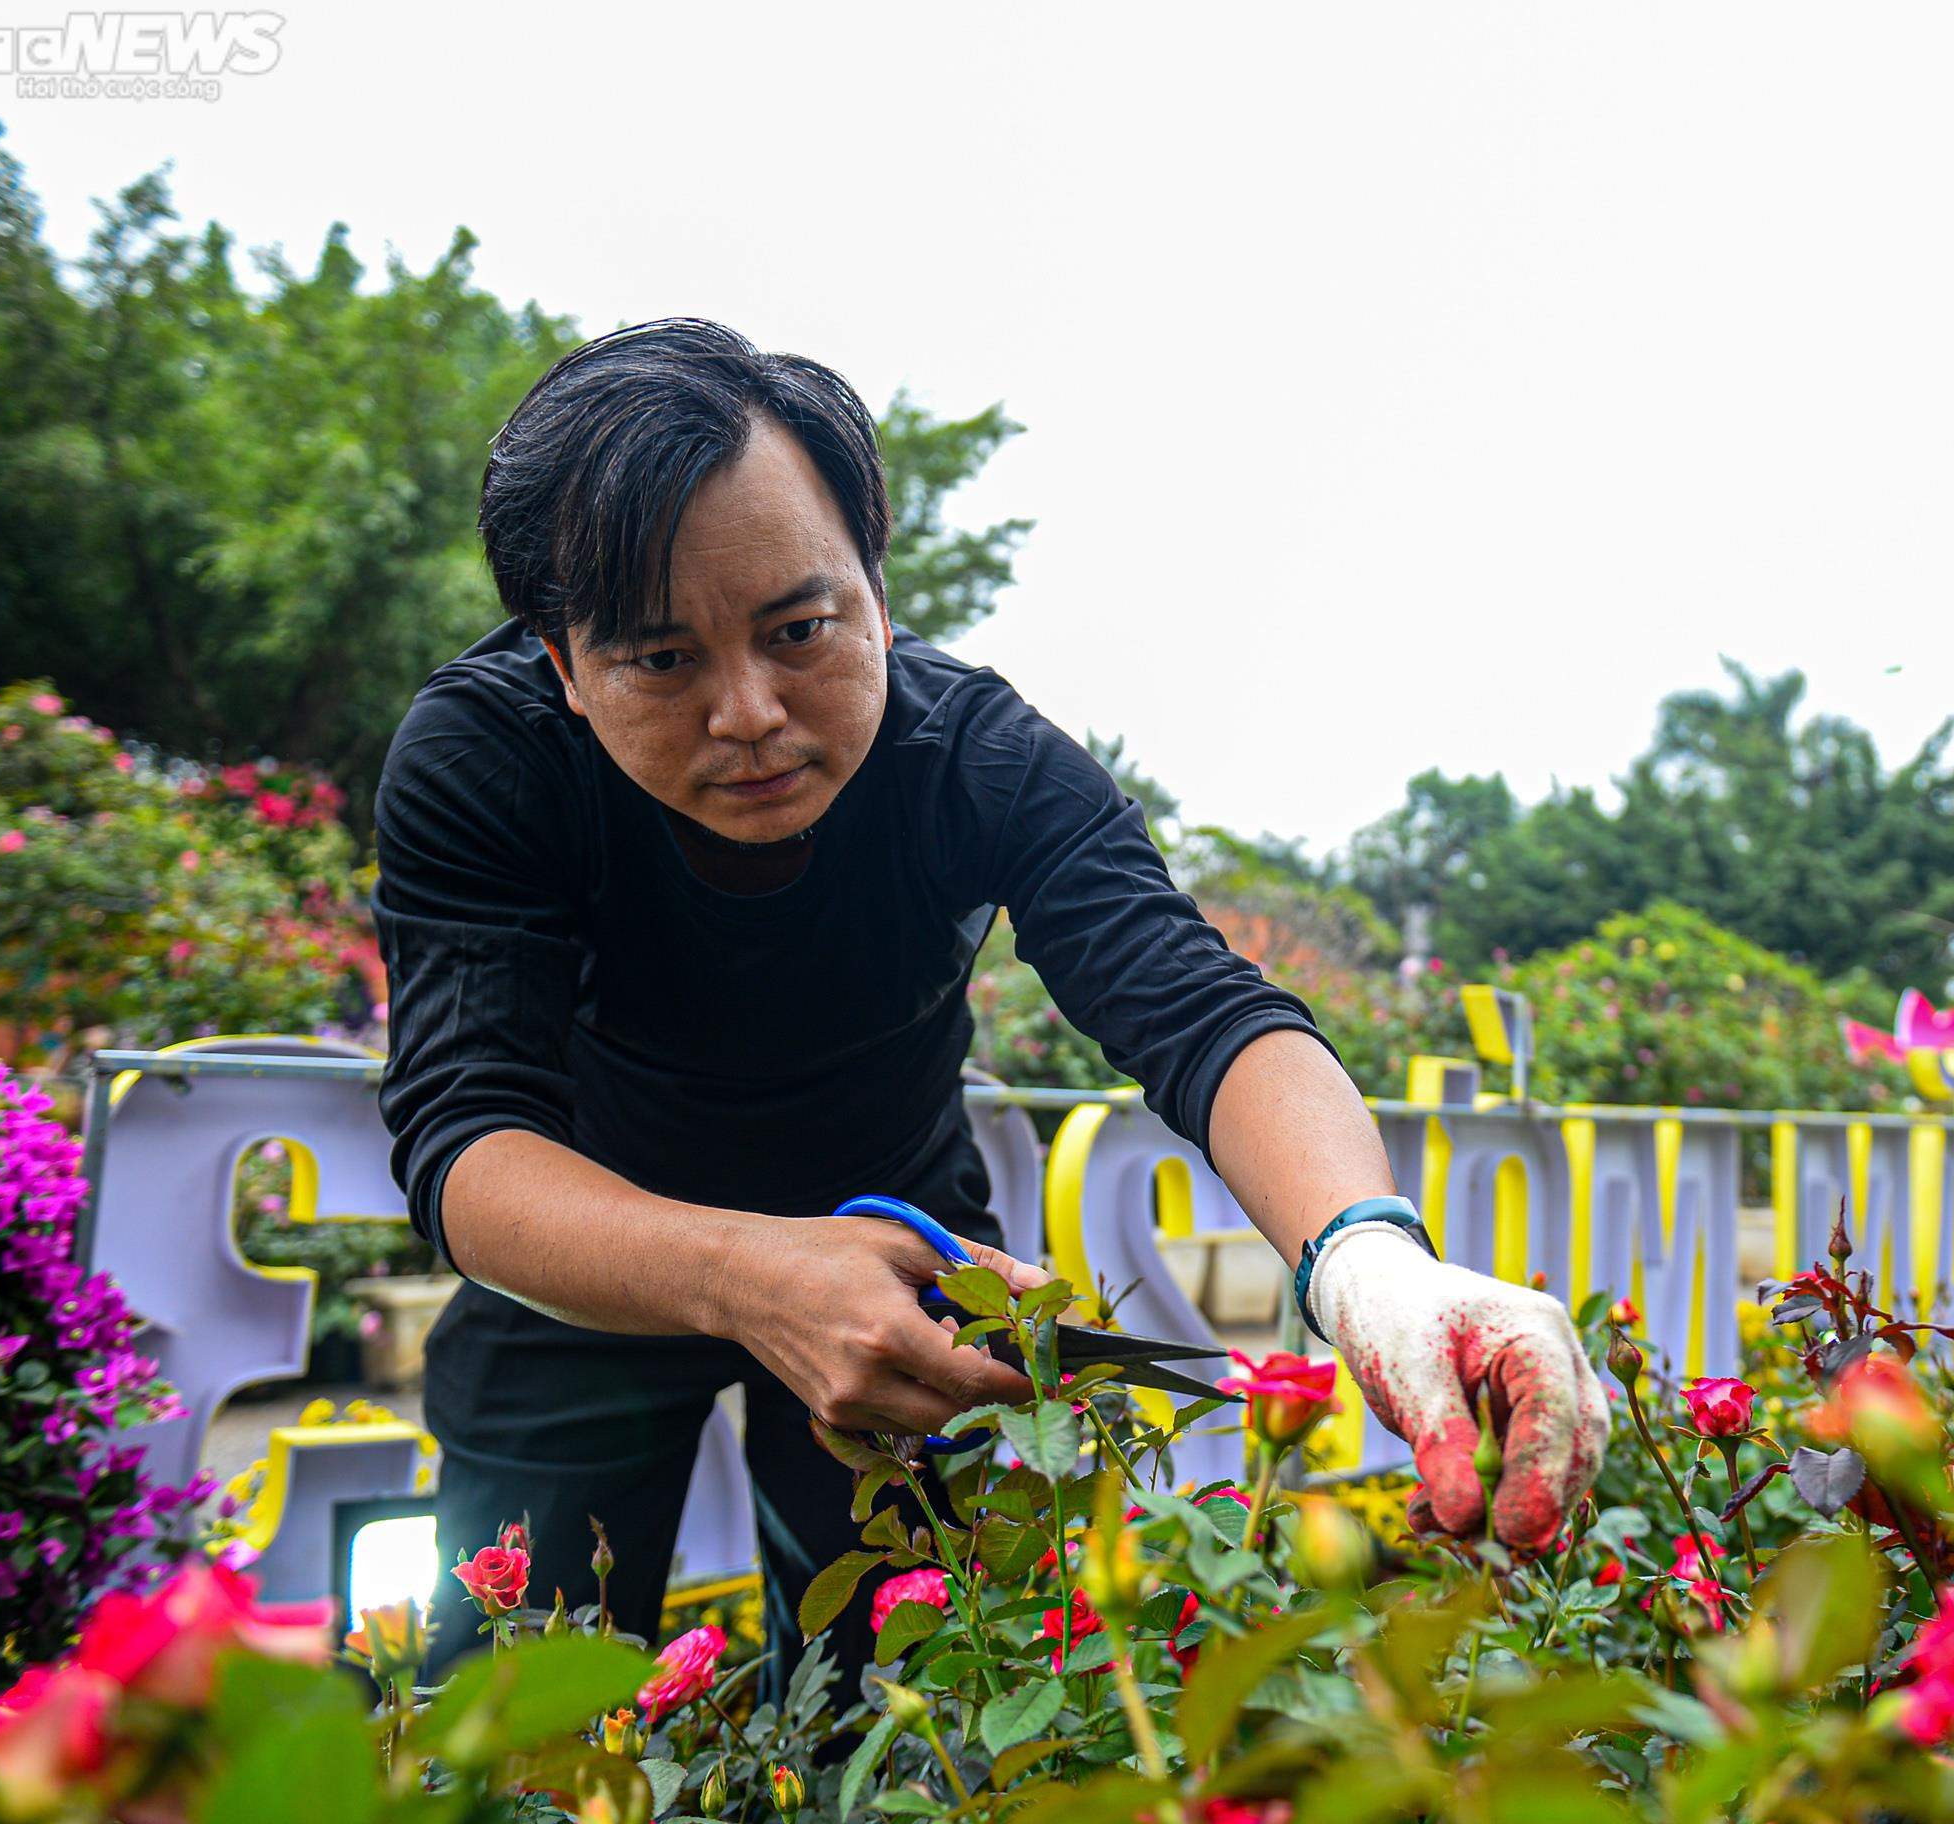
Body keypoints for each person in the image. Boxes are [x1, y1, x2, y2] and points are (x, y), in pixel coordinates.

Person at [372, 319, 1605, 1694]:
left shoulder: (975, 757)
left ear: (877, 592)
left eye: (800, 629)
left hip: (906, 1263)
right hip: (583, 1274)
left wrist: (1370, 1264)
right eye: (661, 662)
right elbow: (463, 1135)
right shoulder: (485, 760)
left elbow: (1198, 1009)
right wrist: (746, 1272)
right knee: (511, 1718)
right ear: (559, 664)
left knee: (921, 1704)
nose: (751, 714)